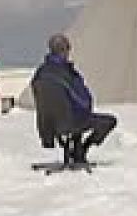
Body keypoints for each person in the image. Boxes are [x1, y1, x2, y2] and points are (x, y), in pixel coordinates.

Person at [31, 33, 117, 163]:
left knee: (75, 117)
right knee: (109, 121)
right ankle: (83, 149)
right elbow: (83, 101)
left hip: (47, 124)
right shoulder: (68, 74)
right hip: (70, 121)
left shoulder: (40, 73)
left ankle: (75, 150)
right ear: (65, 50)